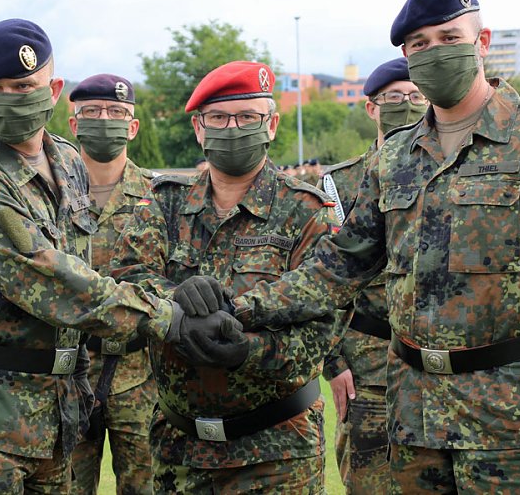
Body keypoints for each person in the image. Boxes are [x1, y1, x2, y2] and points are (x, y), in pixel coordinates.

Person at [227, 0, 520, 495]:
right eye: (420, 44)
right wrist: (239, 309)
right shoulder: (396, 155)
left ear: (482, 42)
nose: (435, 51)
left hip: (511, 418)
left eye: (449, 38)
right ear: (407, 57)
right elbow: (337, 267)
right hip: (413, 417)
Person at [0, 18, 237, 493]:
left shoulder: (66, 161)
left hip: (56, 409)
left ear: (53, 90)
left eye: (23, 86)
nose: (8, 96)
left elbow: (88, 264)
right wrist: (170, 318)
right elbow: (51, 279)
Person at [111, 60, 349, 493]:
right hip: (179, 450)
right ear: (199, 129)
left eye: (247, 117)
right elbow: (126, 276)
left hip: (277, 452)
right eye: (218, 118)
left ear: (271, 125)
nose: (232, 128)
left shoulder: (307, 212)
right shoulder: (165, 203)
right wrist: (176, 298)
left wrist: (246, 350)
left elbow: (324, 325)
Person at [320, 56, 426, 494]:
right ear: (371, 108)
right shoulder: (340, 184)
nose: (407, 104)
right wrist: (333, 362)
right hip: (367, 366)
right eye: (394, 97)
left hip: (438, 363)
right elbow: (322, 279)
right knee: (369, 482)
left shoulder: (451, 174)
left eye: (416, 96)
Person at [67, 74, 158, 494]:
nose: (105, 119)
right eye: (92, 112)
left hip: (142, 375)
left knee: (146, 487)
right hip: (68, 374)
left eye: (117, 112)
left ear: (132, 126)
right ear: (74, 124)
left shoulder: (160, 196)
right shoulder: (50, 194)